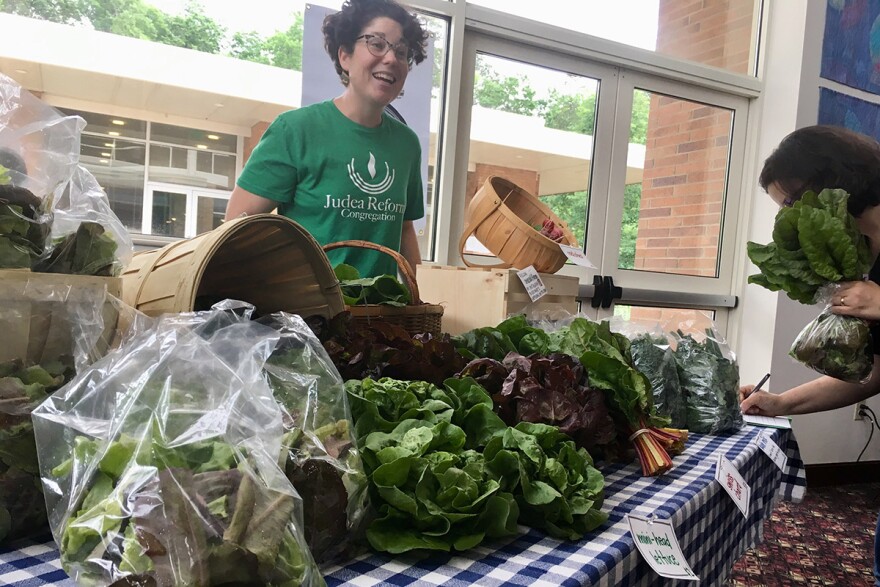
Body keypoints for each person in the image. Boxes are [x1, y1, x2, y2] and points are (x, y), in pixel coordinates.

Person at [740, 124, 880, 586]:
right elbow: (874, 374)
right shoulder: (865, 258)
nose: (790, 221)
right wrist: (783, 404)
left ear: (828, 184)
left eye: (791, 205)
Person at [224, 0, 429, 278]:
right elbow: (236, 227)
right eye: (377, 44)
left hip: (381, 315)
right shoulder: (296, 130)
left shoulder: (406, 145)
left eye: (402, 51)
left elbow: (404, 228)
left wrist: (421, 299)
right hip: (306, 313)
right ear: (345, 55)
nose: (392, 59)